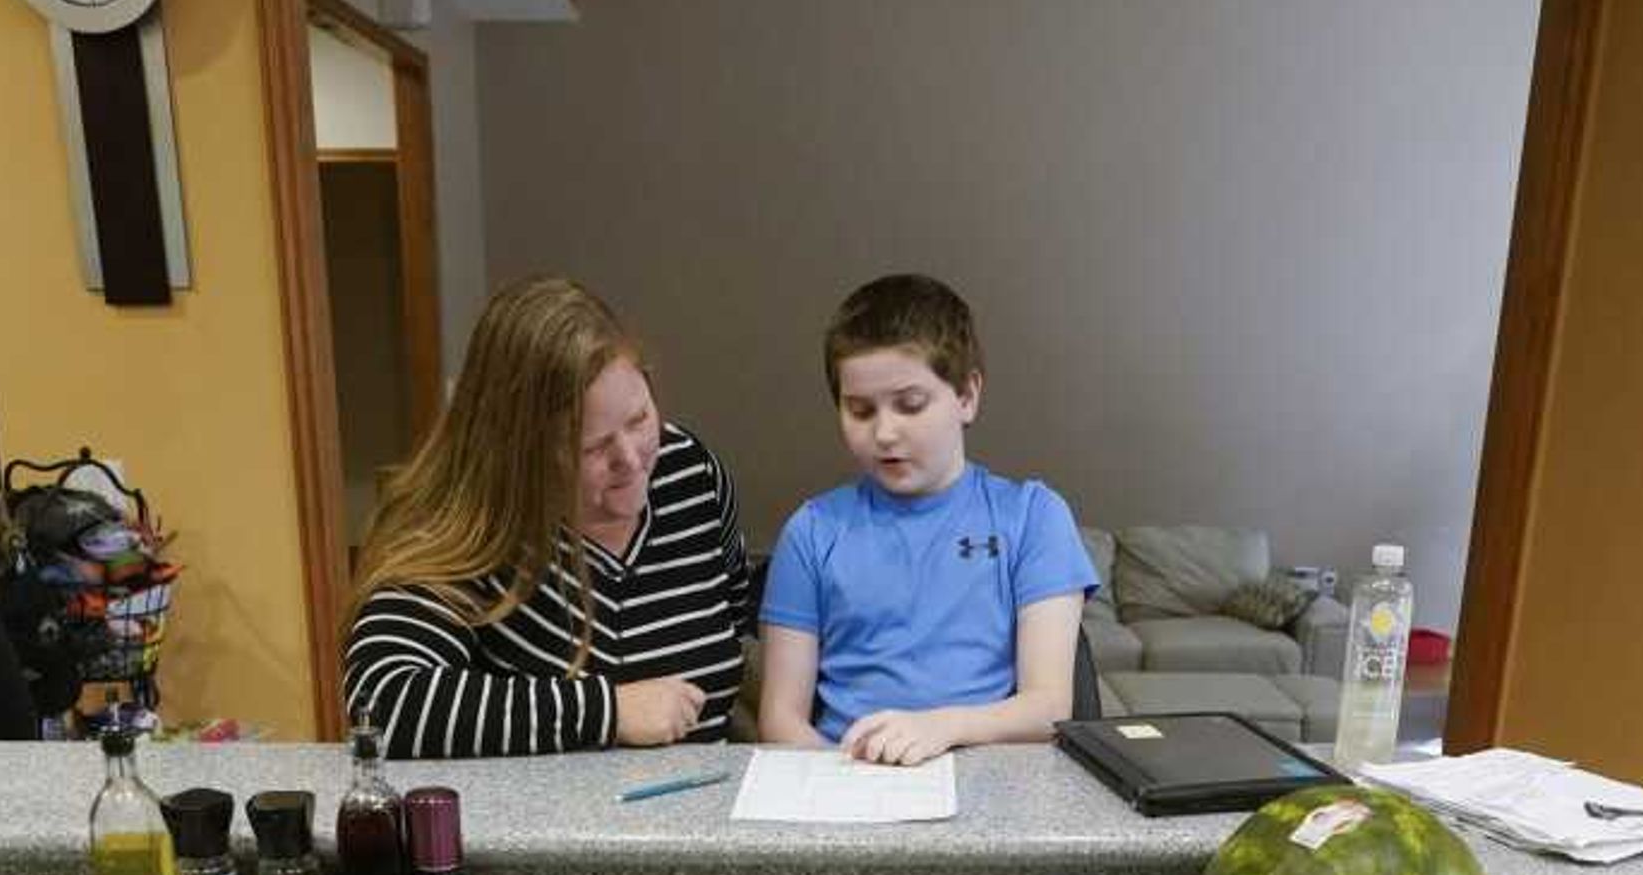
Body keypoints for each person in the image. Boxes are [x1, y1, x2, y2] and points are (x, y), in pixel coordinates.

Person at [339, 276, 750, 758]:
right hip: (547, 827)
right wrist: (608, 711)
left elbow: (740, 622)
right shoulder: (467, 524)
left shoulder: (691, 474)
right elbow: (383, 700)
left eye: (640, 420)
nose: (633, 459)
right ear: (520, 452)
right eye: (593, 447)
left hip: (707, 815)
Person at [755, 273, 1100, 765]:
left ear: (967, 396)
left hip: (990, 779)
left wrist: (941, 727)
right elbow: (781, 720)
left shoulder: (1033, 517)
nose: (885, 433)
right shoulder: (811, 532)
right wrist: (840, 783)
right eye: (859, 411)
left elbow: (1047, 707)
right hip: (847, 780)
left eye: (910, 405)